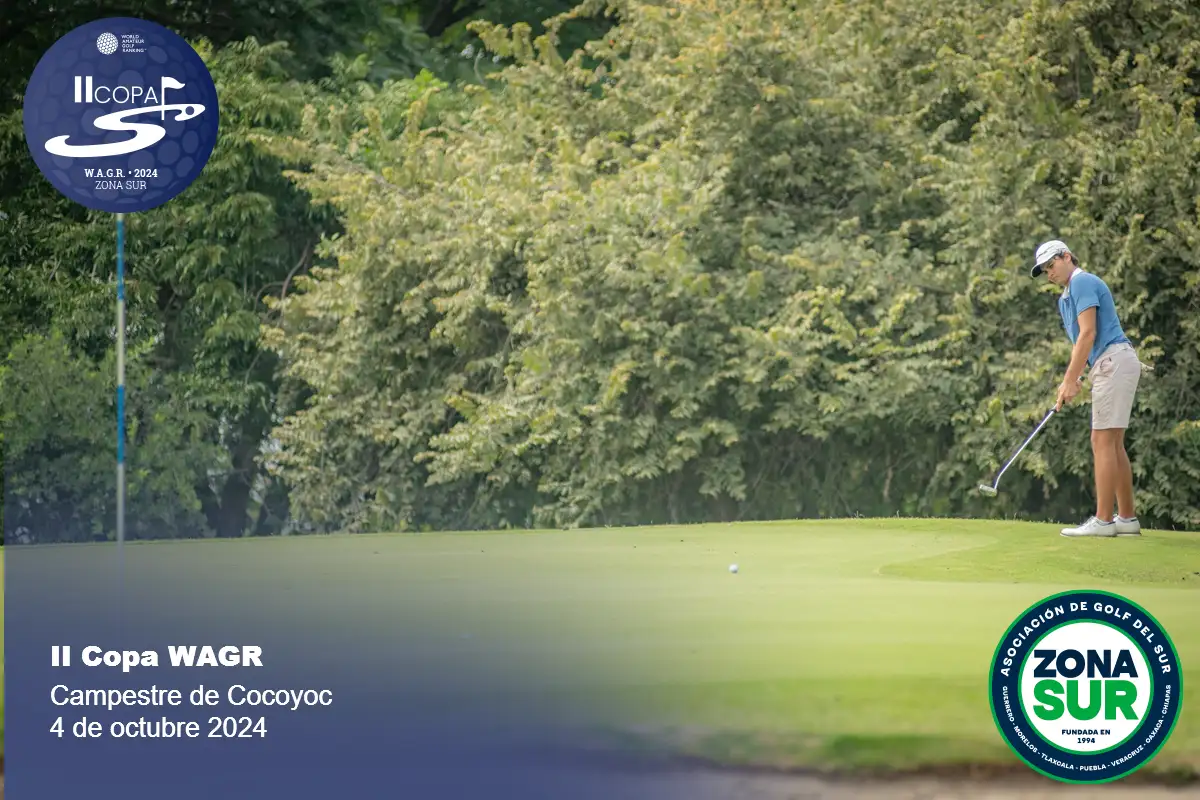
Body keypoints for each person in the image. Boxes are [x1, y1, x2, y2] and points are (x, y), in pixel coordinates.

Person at [1030, 240, 1142, 537]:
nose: (1049, 273)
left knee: (1101, 440)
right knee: (1112, 443)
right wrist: (1076, 376)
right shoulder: (1065, 298)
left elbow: (1089, 333)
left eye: (1051, 265)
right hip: (1111, 362)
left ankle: (1104, 521)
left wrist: (1069, 380)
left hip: (1113, 360)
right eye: (1044, 270)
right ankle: (1126, 518)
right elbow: (1084, 343)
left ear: (1067, 256)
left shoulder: (1082, 282)